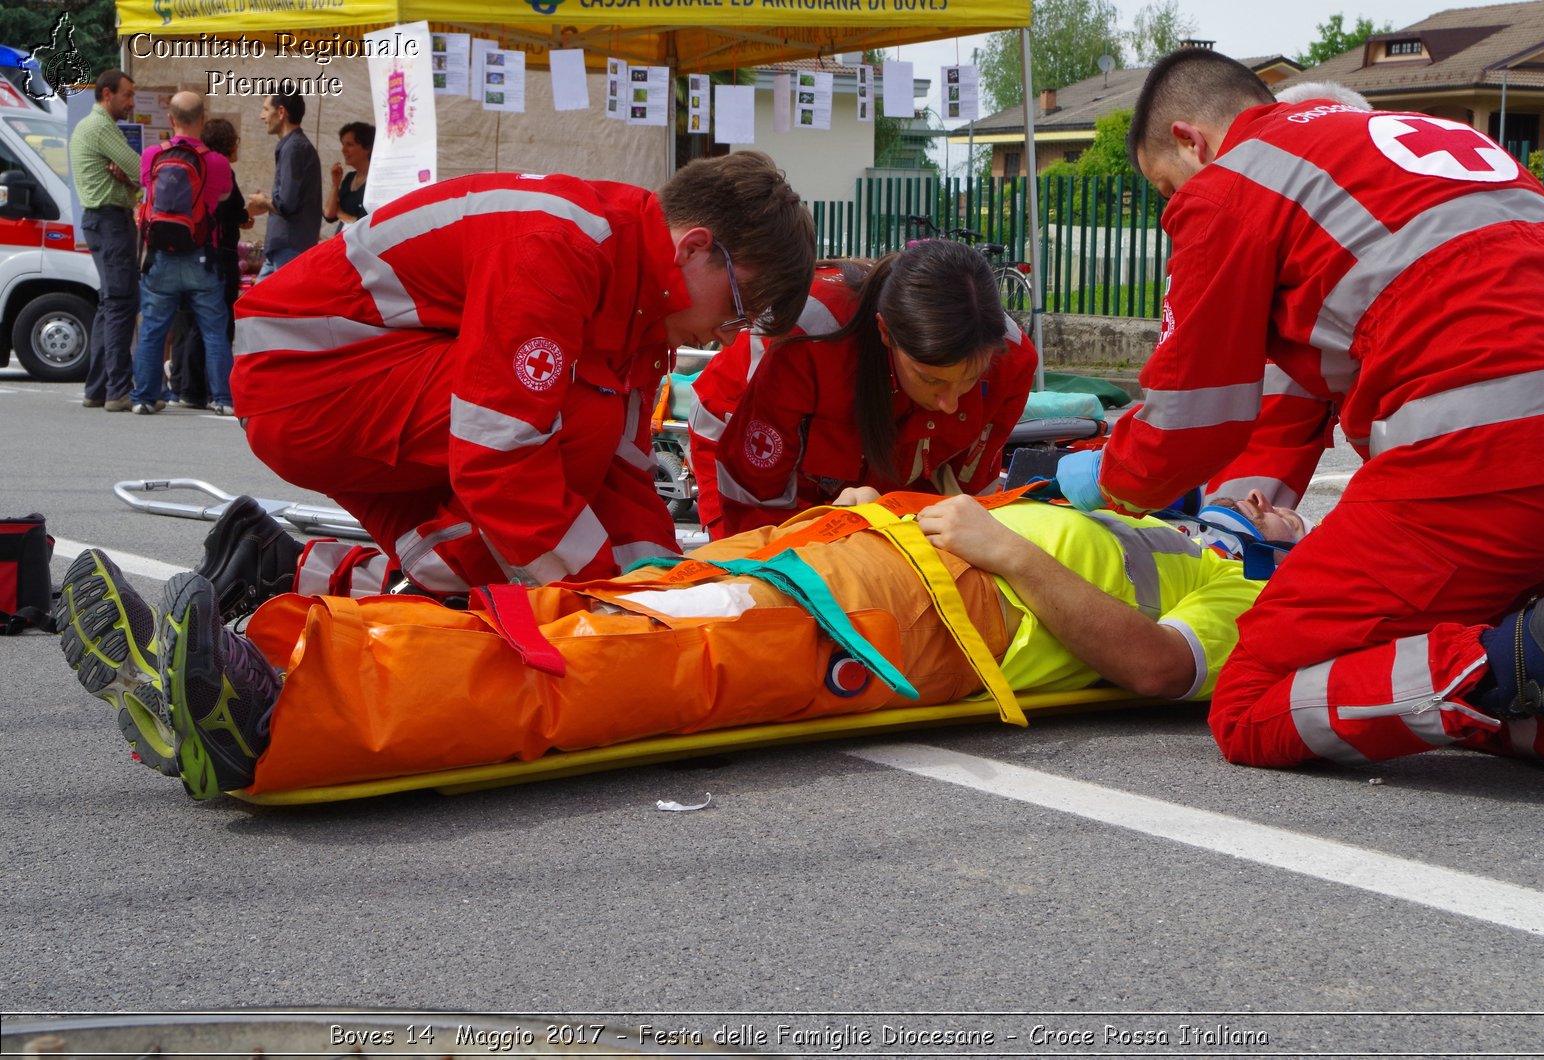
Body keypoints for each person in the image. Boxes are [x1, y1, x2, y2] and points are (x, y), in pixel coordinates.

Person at [1049, 48, 1544, 768]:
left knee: (1249, 705)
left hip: (1482, 453)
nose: (1172, 206)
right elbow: (1283, 401)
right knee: (1472, 620)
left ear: (1192, 140)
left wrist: (1101, 479)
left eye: (1164, 185)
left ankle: (1516, 663)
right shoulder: (1427, 153)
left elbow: (1188, 420)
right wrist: (1232, 524)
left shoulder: (1232, 183)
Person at [54, 489, 1265, 800]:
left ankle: (277, 710)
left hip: (913, 622)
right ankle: (284, 627)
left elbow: (1153, 667)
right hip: (858, 563)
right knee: (590, 615)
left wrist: (1002, 549)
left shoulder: (1243, 600)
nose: (1278, 502)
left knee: (633, 657)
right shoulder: (1167, 523)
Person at [226, 152, 816, 605]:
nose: (726, 335)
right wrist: (602, 598)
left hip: (360, 381)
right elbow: (499, 455)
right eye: (739, 306)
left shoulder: (636, 290)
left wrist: (668, 592)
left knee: (492, 580)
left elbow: (627, 480)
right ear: (693, 248)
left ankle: (288, 571)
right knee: (567, 430)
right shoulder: (561, 245)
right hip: (303, 379)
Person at [689, 239, 1039, 538]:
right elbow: (754, 502)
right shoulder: (811, 336)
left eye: (970, 379)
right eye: (931, 379)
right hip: (743, 442)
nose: (949, 405)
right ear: (885, 332)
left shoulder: (1013, 361)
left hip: (865, 467)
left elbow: (967, 503)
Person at [126, 92, 236, 417]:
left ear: (171, 119)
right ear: (203, 119)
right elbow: (226, 196)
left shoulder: (151, 156)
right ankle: (223, 399)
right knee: (214, 330)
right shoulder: (217, 162)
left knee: (153, 328)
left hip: (159, 256)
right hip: (202, 255)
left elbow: (146, 190)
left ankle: (144, 397)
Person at [167, 118, 252, 412]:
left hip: (191, 251)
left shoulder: (197, 166)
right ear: (228, 144)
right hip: (220, 253)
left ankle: (185, 385)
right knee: (216, 323)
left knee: (189, 320)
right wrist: (248, 214)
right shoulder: (221, 169)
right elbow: (235, 210)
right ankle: (203, 389)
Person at [68, 69, 140, 413]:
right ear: (107, 94)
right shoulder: (101, 128)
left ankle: (97, 388)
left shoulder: (90, 126)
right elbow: (142, 170)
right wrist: (131, 181)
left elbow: (130, 176)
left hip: (102, 221)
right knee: (121, 303)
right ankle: (117, 390)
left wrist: (127, 181)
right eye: (127, 95)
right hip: (110, 222)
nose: (132, 103)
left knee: (109, 305)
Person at [246, 86, 321, 277]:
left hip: (290, 246)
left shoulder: (294, 148)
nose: (262, 116)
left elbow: (287, 203)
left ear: (281, 112)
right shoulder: (294, 146)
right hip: (285, 246)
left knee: (278, 304)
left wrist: (263, 201)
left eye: (265, 109)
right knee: (258, 303)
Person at [322, 120, 373, 230]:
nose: (343, 150)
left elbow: (368, 223)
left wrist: (340, 214)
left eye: (350, 145)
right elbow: (329, 214)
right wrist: (335, 184)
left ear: (367, 148)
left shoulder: (375, 180)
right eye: (343, 144)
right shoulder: (349, 177)